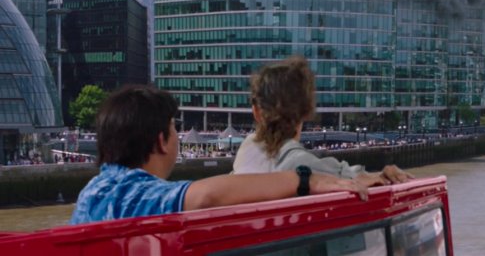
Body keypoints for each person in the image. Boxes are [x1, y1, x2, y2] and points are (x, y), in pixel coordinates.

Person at [70, 85, 369, 225]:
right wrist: (305, 179)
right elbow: (205, 197)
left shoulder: (93, 191)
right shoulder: (131, 193)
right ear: (161, 141)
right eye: (174, 129)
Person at [233, 56, 413, 186]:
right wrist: (382, 175)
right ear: (306, 112)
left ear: (256, 112)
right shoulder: (301, 166)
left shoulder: (246, 152)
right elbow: (338, 176)